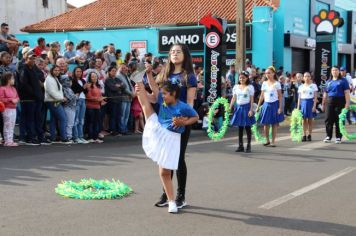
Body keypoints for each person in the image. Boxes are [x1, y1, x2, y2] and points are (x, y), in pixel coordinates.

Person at [134, 64, 198, 213]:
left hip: (171, 137)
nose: (162, 95)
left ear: (174, 94)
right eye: (162, 93)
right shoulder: (162, 98)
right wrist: (148, 75)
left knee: (165, 172)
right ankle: (138, 80)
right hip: (158, 127)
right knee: (144, 104)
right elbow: (155, 88)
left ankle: (172, 201)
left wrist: (184, 122)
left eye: (165, 93)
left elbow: (196, 117)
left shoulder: (183, 106)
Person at [155, 44, 197, 209]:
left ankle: (181, 195)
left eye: (178, 52)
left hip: (180, 121)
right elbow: (156, 94)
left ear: (185, 55)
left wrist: (184, 119)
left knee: (178, 158)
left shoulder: (189, 76)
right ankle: (166, 194)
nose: (174, 54)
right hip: (164, 121)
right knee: (165, 158)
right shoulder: (163, 74)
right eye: (172, 52)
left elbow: (190, 100)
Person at [256, 66, 284, 147]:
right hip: (266, 104)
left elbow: (280, 96)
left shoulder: (277, 83)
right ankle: (267, 140)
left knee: (274, 124)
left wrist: (280, 107)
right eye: (266, 73)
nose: (267, 75)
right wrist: (258, 106)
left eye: (269, 73)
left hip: (274, 104)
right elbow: (261, 96)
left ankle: (273, 141)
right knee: (266, 123)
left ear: (273, 73)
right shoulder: (264, 83)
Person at [322, 66, 350, 144]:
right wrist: (323, 103)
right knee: (328, 119)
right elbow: (325, 93)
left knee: (339, 120)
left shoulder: (343, 81)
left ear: (339, 71)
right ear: (331, 71)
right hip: (329, 101)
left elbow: (347, 93)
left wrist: (347, 104)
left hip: (340, 101)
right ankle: (328, 136)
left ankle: (338, 137)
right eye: (333, 70)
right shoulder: (328, 81)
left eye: (336, 70)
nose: (334, 71)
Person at [229, 70, 255, 153]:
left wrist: (251, 110)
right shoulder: (236, 87)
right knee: (240, 127)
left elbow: (251, 99)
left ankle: (248, 146)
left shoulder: (250, 87)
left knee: (247, 127)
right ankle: (240, 146)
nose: (241, 79)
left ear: (247, 78)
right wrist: (230, 107)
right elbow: (234, 98)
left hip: (246, 108)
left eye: (243, 78)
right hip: (238, 108)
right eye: (240, 78)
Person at [44, 65, 70, 144]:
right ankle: (64, 137)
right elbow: (51, 92)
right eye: (55, 70)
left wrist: (61, 98)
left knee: (53, 120)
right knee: (63, 118)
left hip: (55, 100)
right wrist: (61, 98)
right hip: (53, 101)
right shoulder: (49, 79)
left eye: (58, 70)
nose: (57, 72)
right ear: (52, 70)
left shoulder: (54, 78)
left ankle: (52, 137)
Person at [297, 72, 318, 142]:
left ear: (310, 77)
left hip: (310, 103)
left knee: (310, 120)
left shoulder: (314, 86)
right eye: (305, 76)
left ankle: (309, 135)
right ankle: (304, 135)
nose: (307, 78)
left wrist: (314, 106)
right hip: (303, 103)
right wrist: (298, 107)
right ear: (303, 78)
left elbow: (315, 97)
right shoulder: (301, 86)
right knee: (303, 120)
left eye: (308, 76)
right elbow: (299, 98)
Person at [0, 72, 19, 146]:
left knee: (12, 124)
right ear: (8, 79)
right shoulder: (2, 88)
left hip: (13, 108)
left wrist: (16, 100)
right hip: (6, 109)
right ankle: (7, 140)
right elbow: (1, 98)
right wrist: (11, 100)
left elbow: (17, 97)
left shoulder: (13, 88)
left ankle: (10, 140)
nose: (13, 80)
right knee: (7, 124)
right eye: (12, 78)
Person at [71, 67, 89, 144]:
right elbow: (75, 90)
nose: (79, 73)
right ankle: (75, 137)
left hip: (83, 99)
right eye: (77, 71)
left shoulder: (83, 80)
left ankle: (81, 136)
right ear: (74, 72)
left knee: (81, 120)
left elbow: (85, 91)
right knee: (76, 120)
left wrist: (84, 88)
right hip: (77, 100)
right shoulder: (73, 80)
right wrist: (83, 88)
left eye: (80, 71)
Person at [104, 66, 124, 135]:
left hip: (119, 100)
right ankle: (112, 130)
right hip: (112, 100)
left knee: (118, 115)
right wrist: (118, 86)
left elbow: (124, 86)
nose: (114, 72)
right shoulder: (108, 80)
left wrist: (118, 86)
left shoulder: (117, 79)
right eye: (112, 71)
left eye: (115, 71)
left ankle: (118, 129)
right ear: (109, 72)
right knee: (113, 116)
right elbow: (113, 88)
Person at [85, 72, 104, 143]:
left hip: (97, 106)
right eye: (93, 77)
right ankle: (90, 137)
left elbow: (99, 96)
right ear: (90, 78)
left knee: (96, 122)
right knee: (91, 122)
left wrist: (102, 100)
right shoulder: (88, 86)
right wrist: (98, 99)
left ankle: (95, 137)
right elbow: (88, 97)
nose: (95, 78)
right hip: (90, 107)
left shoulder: (97, 86)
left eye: (95, 76)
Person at [116, 63, 135, 135]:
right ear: (119, 68)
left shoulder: (126, 76)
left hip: (128, 98)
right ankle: (122, 129)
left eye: (125, 67)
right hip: (123, 98)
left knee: (126, 115)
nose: (125, 69)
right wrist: (131, 93)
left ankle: (124, 129)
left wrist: (133, 92)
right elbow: (124, 88)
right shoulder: (118, 76)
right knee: (122, 115)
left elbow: (130, 85)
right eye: (123, 68)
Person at [60, 76, 77, 143]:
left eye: (70, 81)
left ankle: (69, 136)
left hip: (72, 107)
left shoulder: (69, 89)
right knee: (69, 123)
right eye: (68, 80)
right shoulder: (64, 89)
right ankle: (68, 137)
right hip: (68, 107)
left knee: (71, 122)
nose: (70, 82)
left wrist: (75, 96)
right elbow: (69, 98)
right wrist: (75, 96)